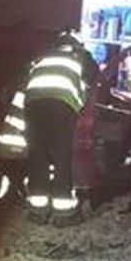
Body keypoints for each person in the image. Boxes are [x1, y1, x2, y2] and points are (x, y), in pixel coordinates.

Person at [21, 32, 98, 221]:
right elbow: (95, 78)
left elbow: (26, 82)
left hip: (33, 103)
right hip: (62, 104)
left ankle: (38, 211)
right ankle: (64, 213)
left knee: (38, 154)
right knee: (63, 155)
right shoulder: (81, 55)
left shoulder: (45, 56)